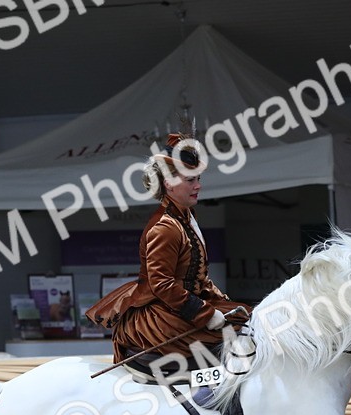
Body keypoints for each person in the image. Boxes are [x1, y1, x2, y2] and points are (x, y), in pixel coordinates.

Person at [88, 134, 247, 372]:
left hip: (179, 304)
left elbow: (197, 277)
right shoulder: (165, 227)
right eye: (191, 180)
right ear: (169, 183)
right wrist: (205, 313)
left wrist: (220, 301)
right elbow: (162, 284)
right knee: (234, 341)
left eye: (199, 179)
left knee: (248, 321)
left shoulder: (185, 217)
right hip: (162, 314)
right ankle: (210, 395)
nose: (198, 185)